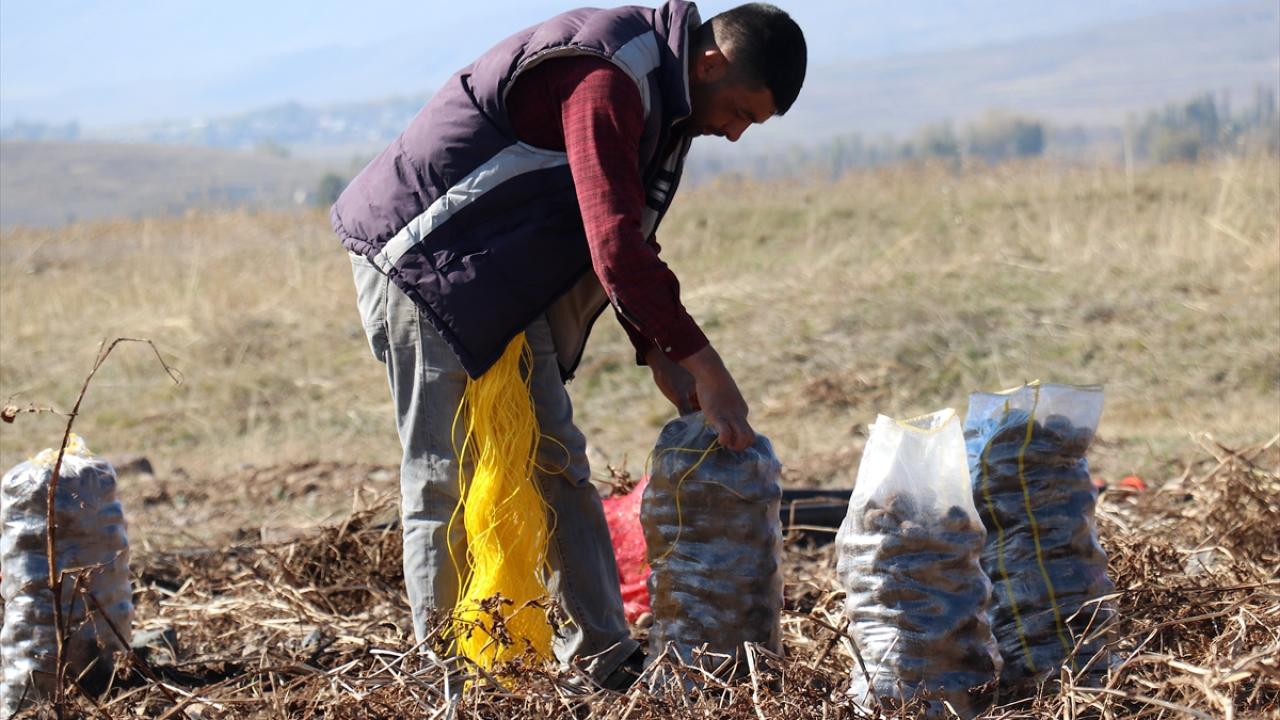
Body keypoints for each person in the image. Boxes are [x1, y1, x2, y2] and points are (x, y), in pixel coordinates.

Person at [334, 0, 805, 689]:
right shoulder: (608, 74)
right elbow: (613, 245)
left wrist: (658, 350)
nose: (733, 133)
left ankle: (604, 657)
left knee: (557, 463)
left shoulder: (670, 101)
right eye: (739, 112)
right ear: (710, 64)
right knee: (444, 474)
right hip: (424, 257)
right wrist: (707, 367)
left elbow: (628, 234)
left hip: (496, 274)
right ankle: (444, 679)